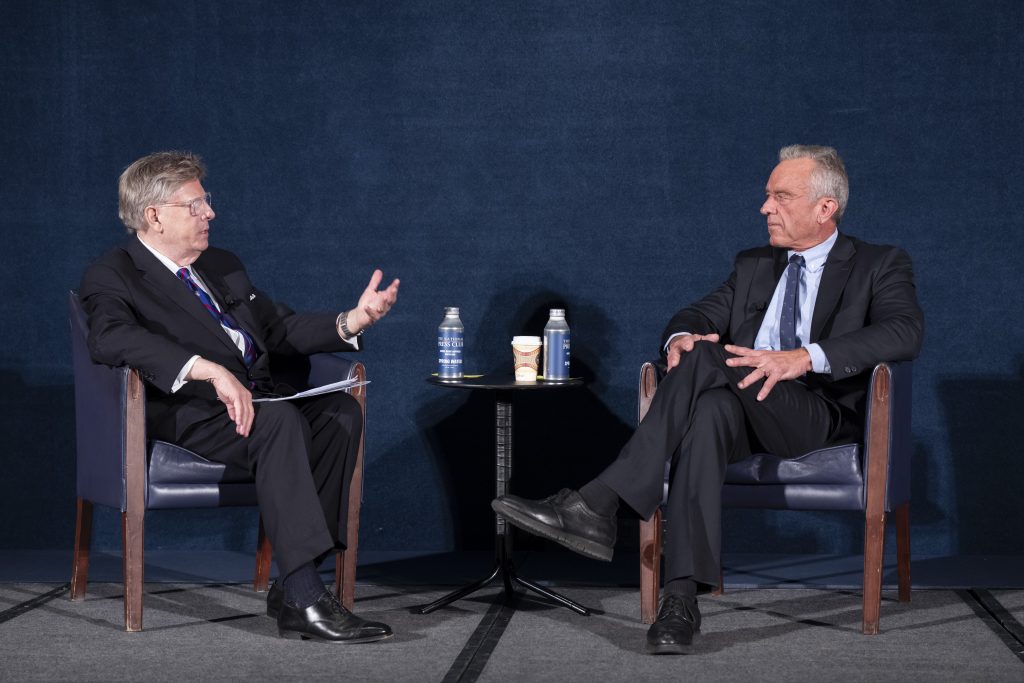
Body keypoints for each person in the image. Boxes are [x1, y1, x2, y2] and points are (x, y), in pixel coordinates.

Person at [492, 145, 924, 654]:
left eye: (781, 197)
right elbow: (695, 315)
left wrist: (802, 358)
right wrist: (679, 340)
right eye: (767, 197)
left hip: (815, 413)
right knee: (707, 409)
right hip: (742, 408)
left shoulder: (879, 263)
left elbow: (904, 331)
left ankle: (599, 503)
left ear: (825, 208)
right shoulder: (755, 265)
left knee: (709, 361)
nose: (766, 208)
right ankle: (680, 604)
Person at [79, 151, 400, 643]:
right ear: (154, 215)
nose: (210, 214)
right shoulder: (115, 273)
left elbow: (278, 328)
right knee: (279, 423)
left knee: (338, 413)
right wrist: (205, 370)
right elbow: (110, 338)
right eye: (196, 205)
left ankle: (297, 583)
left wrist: (350, 321)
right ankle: (306, 597)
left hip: (259, 400)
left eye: (207, 203)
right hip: (190, 410)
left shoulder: (222, 265)